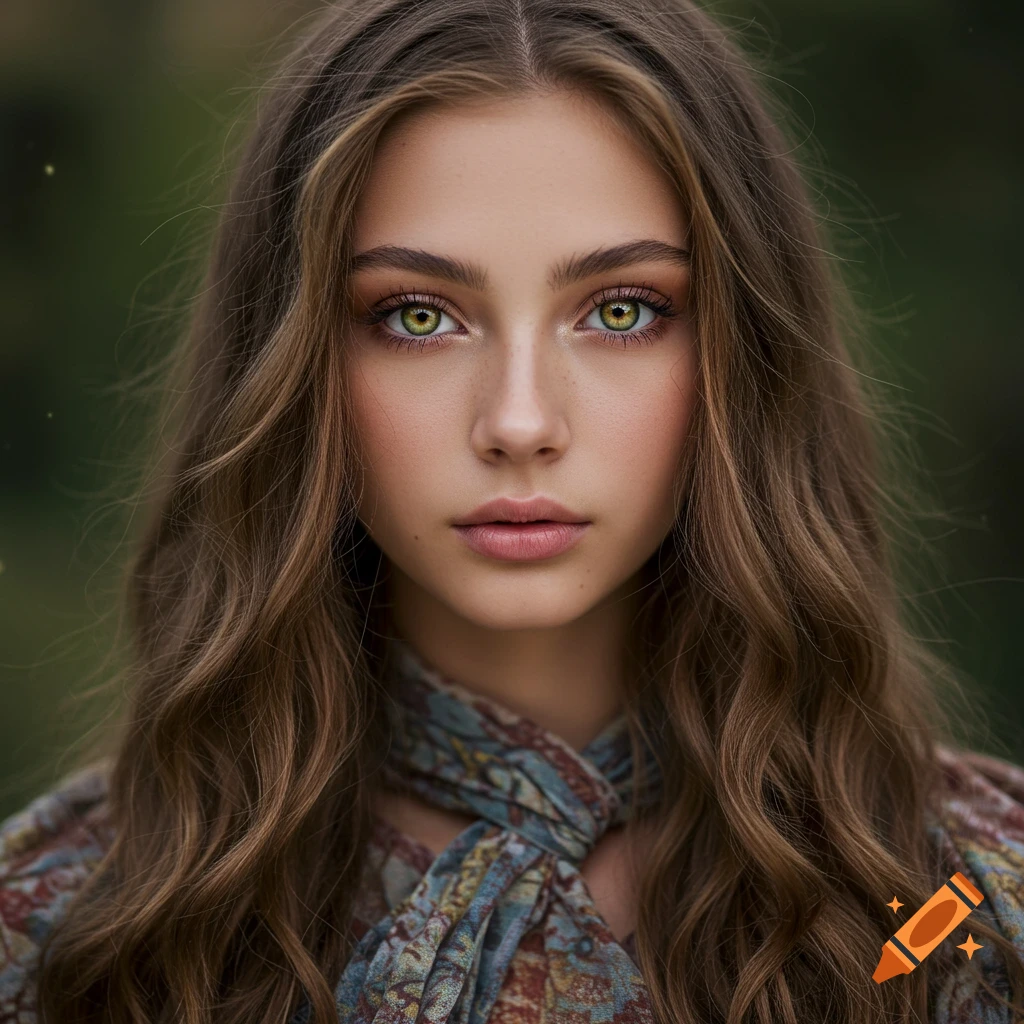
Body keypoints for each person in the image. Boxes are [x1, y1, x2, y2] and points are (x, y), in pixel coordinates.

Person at [1, 0, 1022, 1022]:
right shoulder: (78, 934)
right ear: (299, 365)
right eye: (417, 316)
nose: (519, 420)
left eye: (621, 310)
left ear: (740, 357)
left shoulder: (955, 906)